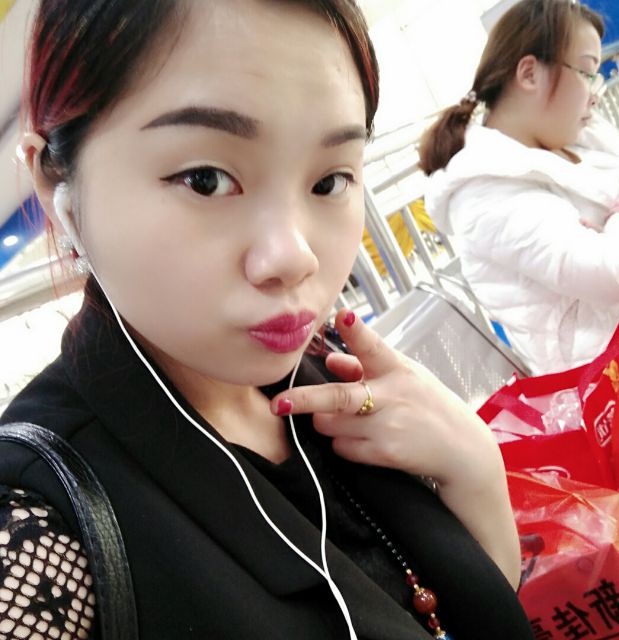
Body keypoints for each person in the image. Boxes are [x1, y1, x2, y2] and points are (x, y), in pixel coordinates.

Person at [0, 1, 534, 638]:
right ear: (56, 187)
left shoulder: (341, 381)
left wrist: (475, 471)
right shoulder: (37, 532)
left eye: (330, 181)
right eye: (205, 179)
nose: (295, 256)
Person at [420, 0, 619, 375]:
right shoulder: (481, 194)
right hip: (611, 382)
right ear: (529, 74)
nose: (595, 93)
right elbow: (613, 271)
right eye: (587, 72)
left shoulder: (573, 140)